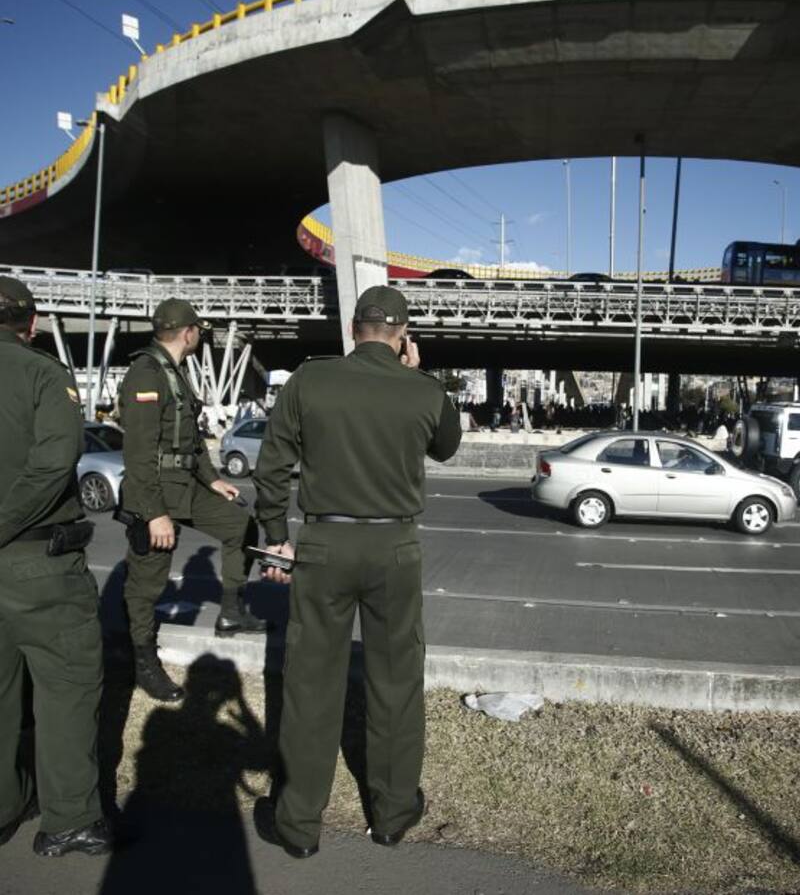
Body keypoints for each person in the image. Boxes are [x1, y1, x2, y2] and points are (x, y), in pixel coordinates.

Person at [252, 285, 461, 858]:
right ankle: (391, 815)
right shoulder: (422, 389)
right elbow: (448, 445)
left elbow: (272, 467)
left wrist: (275, 538)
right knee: (395, 682)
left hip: (323, 541)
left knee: (311, 682)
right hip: (394, 545)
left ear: (353, 326)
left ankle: (298, 825)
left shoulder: (309, 379)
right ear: (402, 335)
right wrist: (420, 374)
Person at [0, 276, 112, 857]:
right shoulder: (44, 374)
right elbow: (51, 467)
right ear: (33, 323)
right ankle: (68, 819)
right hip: (38, 563)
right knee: (66, 690)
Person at [118, 298, 267, 703]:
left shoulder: (174, 373)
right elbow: (139, 453)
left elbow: (191, 439)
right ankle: (143, 662)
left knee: (240, 526)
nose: (200, 335)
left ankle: (232, 613)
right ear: (188, 332)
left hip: (185, 484)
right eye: (198, 330)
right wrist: (154, 514)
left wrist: (213, 480)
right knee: (147, 584)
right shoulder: (145, 374)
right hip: (154, 492)